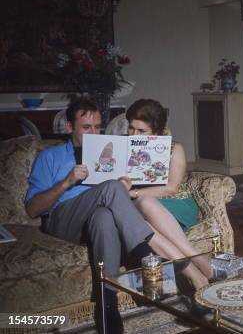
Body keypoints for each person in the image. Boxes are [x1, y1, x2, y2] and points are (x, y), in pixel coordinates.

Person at [25, 97, 158, 333]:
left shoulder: (108, 152)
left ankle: (107, 309)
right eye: (87, 127)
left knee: (104, 218)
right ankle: (145, 257)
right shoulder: (49, 157)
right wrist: (66, 182)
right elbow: (33, 209)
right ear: (69, 127)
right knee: (110, 189)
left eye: (98, 127)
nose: (94, 133)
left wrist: (127, 184)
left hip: (96, 217)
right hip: (62, 220)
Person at [125, 99, 212, 292]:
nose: (133, 134)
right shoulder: (122, 147)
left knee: (145, 201)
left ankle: (194, 256)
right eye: (131, 128)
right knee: (140, 226)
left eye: (141, 131)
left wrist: (133, 192)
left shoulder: (174, 148)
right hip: (140, 210)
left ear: (156, 131)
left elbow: (172, 188)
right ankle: (197, 272)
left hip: (175, 204)